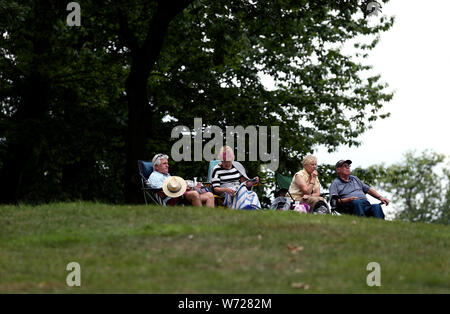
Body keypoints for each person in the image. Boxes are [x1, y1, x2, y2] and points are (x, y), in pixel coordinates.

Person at [147, 153, 215, 207]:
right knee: (194, 194)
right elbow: (161, 194)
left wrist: (190, 187)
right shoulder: (155, 176)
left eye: (167, 163)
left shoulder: (167, 175)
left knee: (209, 195)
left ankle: (209, 220)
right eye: (164, 163)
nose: (167, 165)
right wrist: (181, 189)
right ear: (156, 166)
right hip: (171, 200)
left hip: (179, 196)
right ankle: (200, 220)